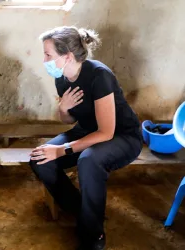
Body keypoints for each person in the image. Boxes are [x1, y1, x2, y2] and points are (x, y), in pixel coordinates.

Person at [29, 26, 143, 250]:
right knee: (39, 158)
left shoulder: (99, 75)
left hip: (122, 135)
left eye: (48, 55)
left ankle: (93, 234)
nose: (44, 60)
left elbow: (106, 132)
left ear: (67, 56)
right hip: (88, 131)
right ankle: (82, 212)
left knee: (89, 160)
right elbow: (68, 120)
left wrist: (63, 149)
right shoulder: (62, 78)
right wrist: (63, 109)